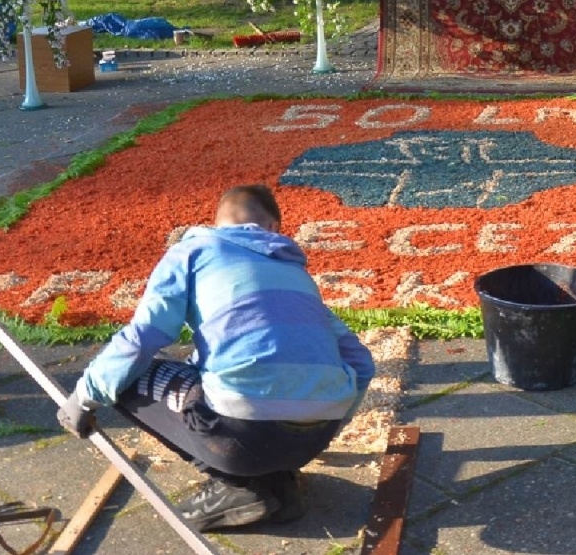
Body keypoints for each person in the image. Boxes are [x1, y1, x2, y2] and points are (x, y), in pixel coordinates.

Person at [55, 185, 375, 530]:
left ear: (219, 222)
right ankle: (280, 484)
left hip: (240, 439)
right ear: (274, 228)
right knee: (214, 377)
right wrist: (323, 423)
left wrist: (84, 397)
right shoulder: (297, 275)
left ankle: (241, 488)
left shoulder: (194, 251)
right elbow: (360, 363)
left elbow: (143, 337)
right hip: (313, 439)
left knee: (134, 375)